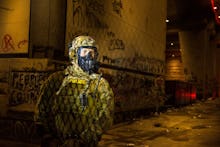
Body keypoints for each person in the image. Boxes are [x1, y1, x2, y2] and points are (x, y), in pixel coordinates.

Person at [36, 35, 114, 147]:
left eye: (91, 52)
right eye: (85, 51)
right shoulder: (56, 80)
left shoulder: (100, 85)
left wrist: (85, 140)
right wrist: (49, 137)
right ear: (74, 54)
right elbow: (42, 110)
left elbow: (105, 117)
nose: (88, 55)